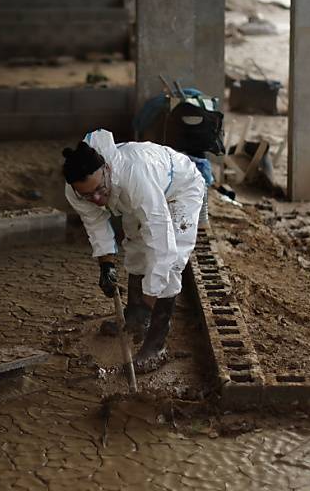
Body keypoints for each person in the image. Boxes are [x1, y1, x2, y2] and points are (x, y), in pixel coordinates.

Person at [62, 129, 206, 372]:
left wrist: (147, 305)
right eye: (87, 195)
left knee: (170, 262)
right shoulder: (76, 191)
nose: (96, 199)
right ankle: (134, 319)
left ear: (107, 169)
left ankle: (156, 342)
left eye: (100, 189)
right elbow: (96, 225)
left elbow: (163, 248)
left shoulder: (134, 176)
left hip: (179, 189)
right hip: (139, 196)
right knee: (137, 250)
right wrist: (106, 265)